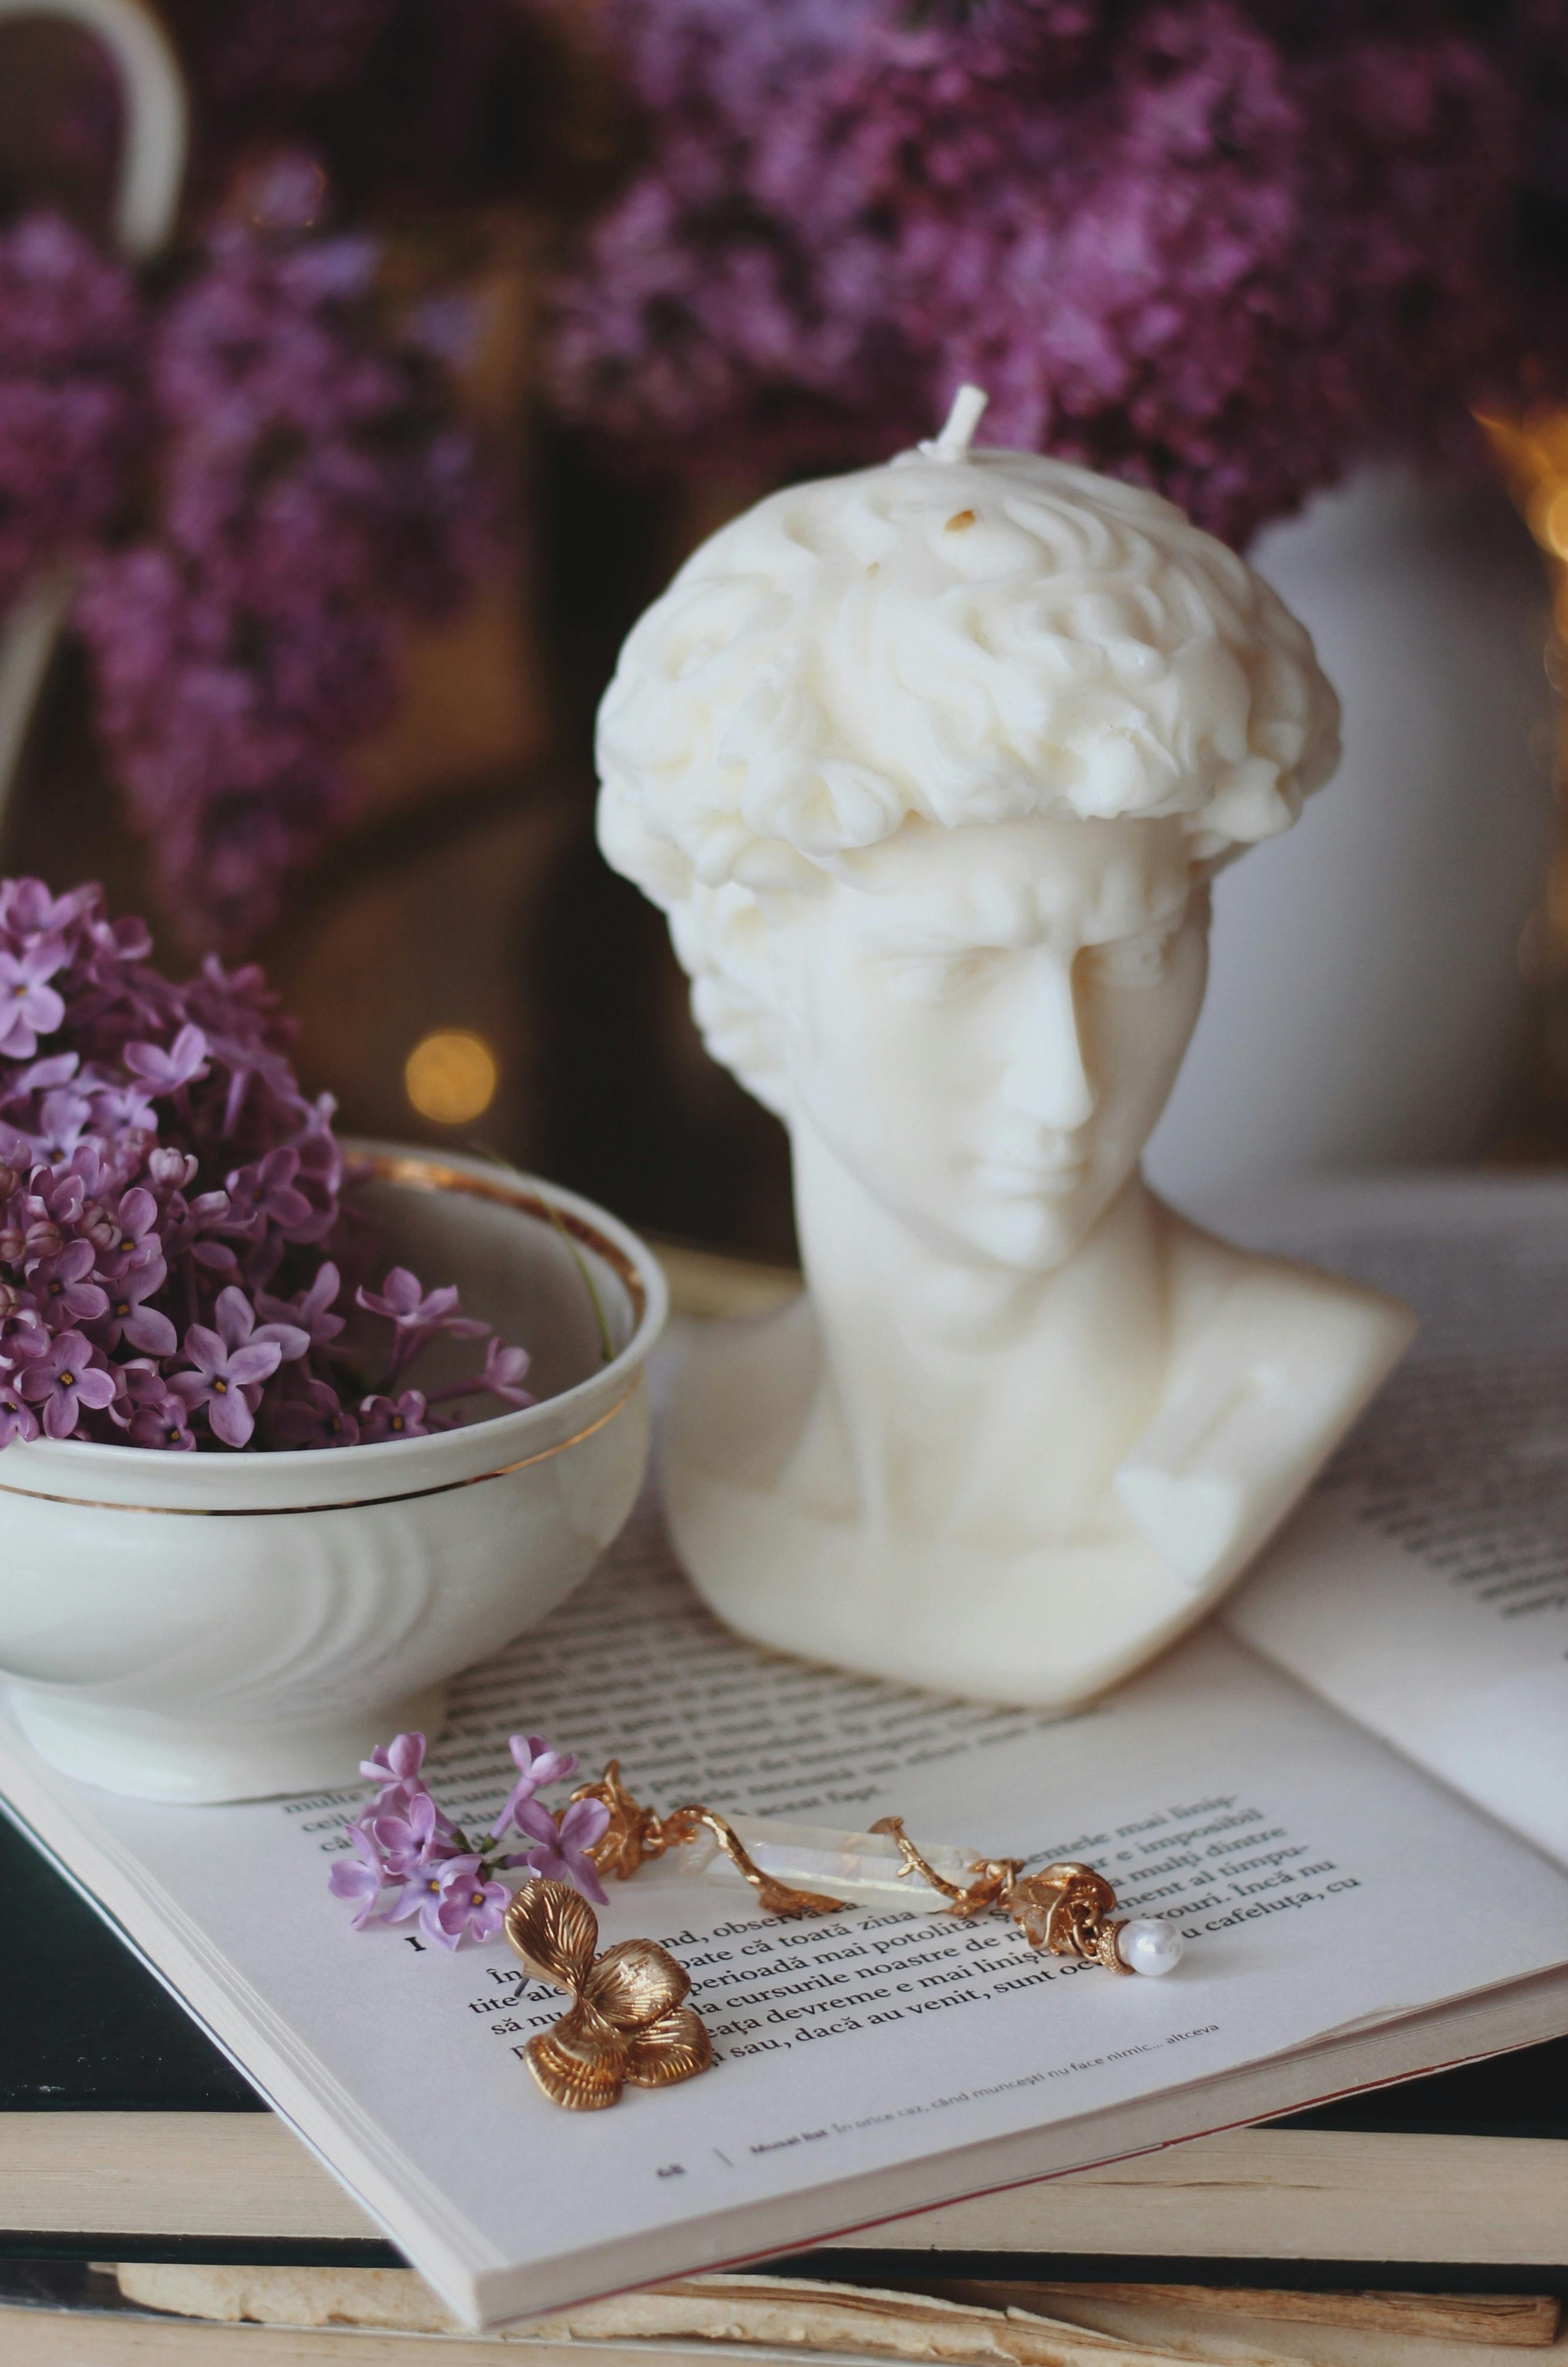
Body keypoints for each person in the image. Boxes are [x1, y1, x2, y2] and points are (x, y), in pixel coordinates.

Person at [596, 391, 1415, 1704]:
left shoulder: (1281, 1382)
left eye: (1138, 953)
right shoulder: (686, 1415)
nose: (1067, 1082)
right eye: (956, 969)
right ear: (747, 947)